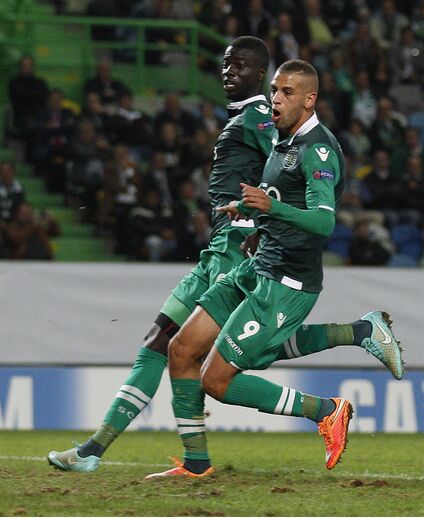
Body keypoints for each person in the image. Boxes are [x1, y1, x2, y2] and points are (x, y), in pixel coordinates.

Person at [47, 38, 402, 474]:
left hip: (246, 258)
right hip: (237, 253)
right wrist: (250, 210)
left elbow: (318, 210)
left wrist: (262, 217)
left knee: (222, 364)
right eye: (225, 64)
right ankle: (176, 459)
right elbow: (272, 184)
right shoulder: (275, 133)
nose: (228, 71)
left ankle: (328, 400)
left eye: (241, 66)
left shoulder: (278, 129)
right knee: (176, 349)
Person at [148, 59, 405, 478]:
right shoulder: (282, 143)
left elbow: (324, 220)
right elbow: (279, 199)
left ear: (309, 99)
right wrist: (256, 218)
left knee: (217, 380)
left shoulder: (317, 149)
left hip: (287, 282)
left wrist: (272, 207)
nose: (275, 99)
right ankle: (196, 462)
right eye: (273, 90)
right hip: (258, 264)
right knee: (181, 349)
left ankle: (326, 411)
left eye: (286, 93)